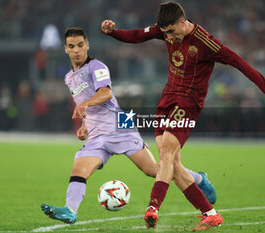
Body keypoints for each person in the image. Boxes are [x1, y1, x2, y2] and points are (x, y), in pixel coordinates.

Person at [101, 1, 265, 230]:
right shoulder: (166, 31)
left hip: (188, 103)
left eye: (171, 31)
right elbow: (139, 35)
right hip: (167, 99)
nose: (169, 37)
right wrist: (113, 32)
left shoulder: (206, 43)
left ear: (183, 22)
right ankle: (210, 212)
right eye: (165, 33)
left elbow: (238, 62)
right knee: (172, 165)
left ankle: (153, 207)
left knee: (167, 154)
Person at [40, 27, 217, 224]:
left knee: (155, 170)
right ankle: (70, 211)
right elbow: (83, 102)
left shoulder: (96, 66)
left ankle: (198, 179)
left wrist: (85, 104)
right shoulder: (69, 78)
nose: (77, 50)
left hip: (119, 127)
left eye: (80, 45)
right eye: (72, 46)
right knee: (79, 170)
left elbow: (105, 93)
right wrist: (84, 124)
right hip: (97, 136)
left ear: (87, 45)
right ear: (65, 49)